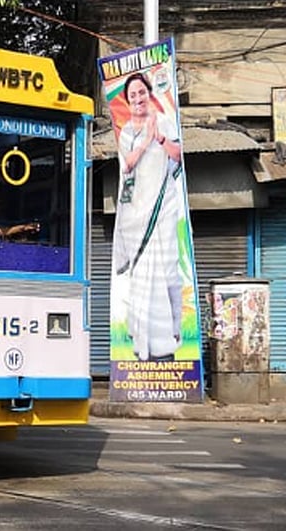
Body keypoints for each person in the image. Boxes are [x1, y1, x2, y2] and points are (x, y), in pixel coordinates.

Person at [112, 71, 185, 362]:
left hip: (163, 210)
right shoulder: (127, 131)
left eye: (142, 93)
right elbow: (127, 165)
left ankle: (173, 332)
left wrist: (161, 135)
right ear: (128, 102)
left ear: (149, 93)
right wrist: (145, 140)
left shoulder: (165, 121)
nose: (138, 99)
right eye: (133, 96)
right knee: (141, 276)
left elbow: (178, 155)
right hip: (137, 216)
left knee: (168, 275)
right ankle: (143, 341)